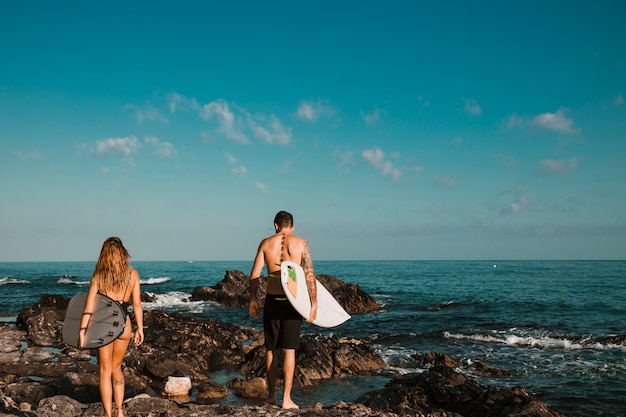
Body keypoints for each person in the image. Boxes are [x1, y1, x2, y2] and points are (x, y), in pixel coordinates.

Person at [249, 211, 318, 409]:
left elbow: (254, 275)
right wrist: (314, 305)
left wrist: (253, 300)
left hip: (272, 300)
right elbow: (309, 275)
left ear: (276, 225)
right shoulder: (302, 243)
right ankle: (286, 400)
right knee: (289, 350)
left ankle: (271, 396)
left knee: (271, 350)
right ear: (292, 226)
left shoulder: (265, 243)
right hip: (293, 302)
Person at [79, 237, 144, 417]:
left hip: (103, 326)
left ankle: (108, 415)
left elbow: (89, 307)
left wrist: (82, 332)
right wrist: (140, 328)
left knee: (104, 371)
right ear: (122, 253)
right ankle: (120, 410)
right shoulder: (133, 275)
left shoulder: (99, 276)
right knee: (117, 369)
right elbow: (137, 305)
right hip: (124, 325)